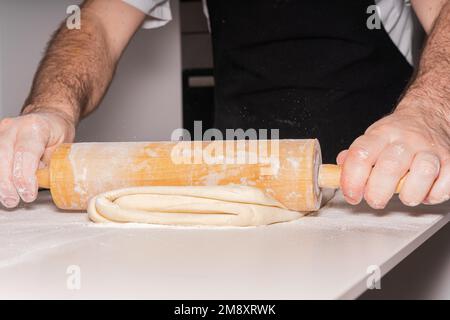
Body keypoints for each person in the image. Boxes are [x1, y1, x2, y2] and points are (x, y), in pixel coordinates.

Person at [0, 0, 448, 210]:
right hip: (233, 176)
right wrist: (51, 108)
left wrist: (428, 112)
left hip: (386, 181)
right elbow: (97, 22)